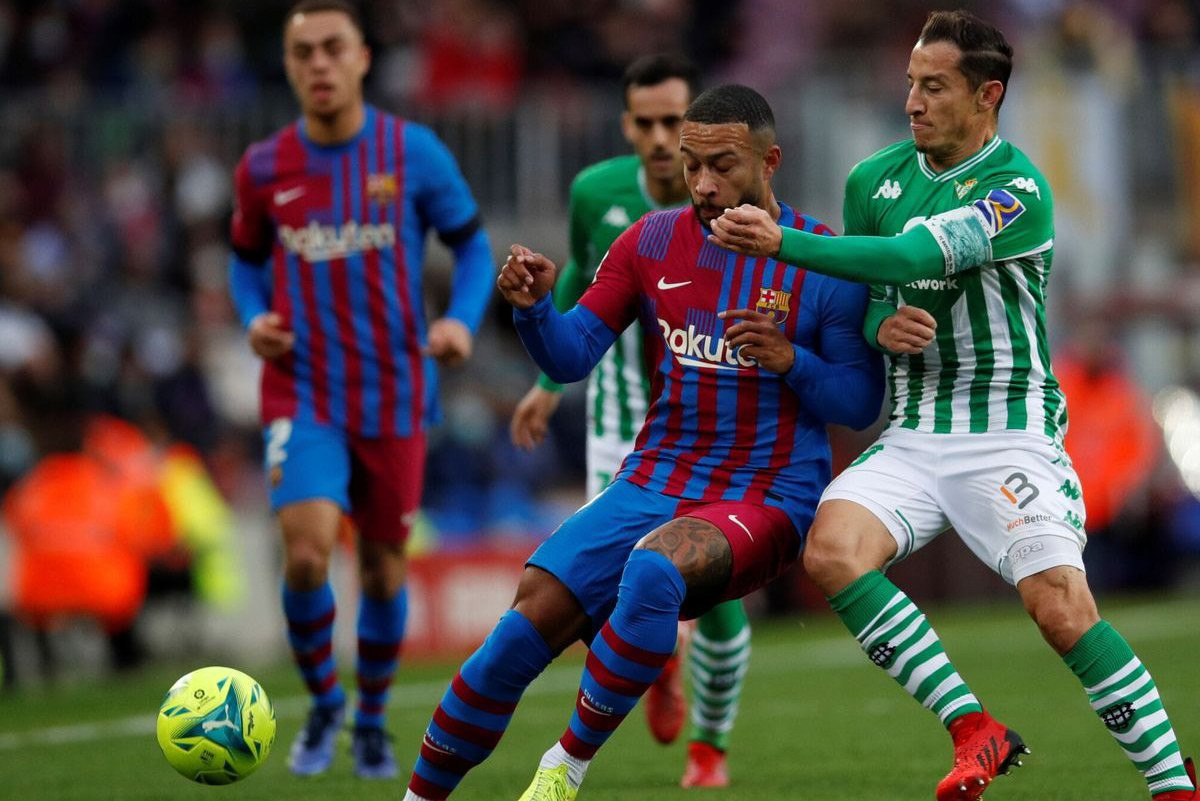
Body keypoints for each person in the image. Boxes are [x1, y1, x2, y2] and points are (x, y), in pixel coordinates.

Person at [708, 10, 1197, 801]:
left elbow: (915, 253)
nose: (913, 101)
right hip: (916, 428)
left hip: (1008, 429)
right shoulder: (875, 181)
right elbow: (875, 294)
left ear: (987, 96)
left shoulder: (1018, 191)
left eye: (934, 86)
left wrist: (782, 242)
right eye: (910, 83)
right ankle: (975, 729)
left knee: (1061, 610)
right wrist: (881, 325)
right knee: (832, 551)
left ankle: (1175, 785)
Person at [403, 83, 884, 801]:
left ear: (769, 160)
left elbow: (859, 400)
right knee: (518, 628)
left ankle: (564, 768)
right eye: (691, 166)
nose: (702, 183)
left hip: (768, 493)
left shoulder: (823, 260)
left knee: (656, 571)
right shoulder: (652, 241)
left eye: (721, 164)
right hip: (655, 478)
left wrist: (791, 359)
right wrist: (535, 310)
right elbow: (571, 356)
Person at [227, 0, 493, 780]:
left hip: (394, 392)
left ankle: (371, 715)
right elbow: (244, 258)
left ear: (363, 57)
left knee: (381, 569)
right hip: (301, 388)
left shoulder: (413, 154)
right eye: (302, 51)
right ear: (287, 64)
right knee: (307, 554)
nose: (318, 63)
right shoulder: (264, 167)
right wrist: (253, 318)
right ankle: (323, 702)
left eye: (331, 48)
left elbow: (472, 247)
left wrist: (462, 322)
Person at [508, 53, 752, 788]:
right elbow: (587, 284)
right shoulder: (596, 193)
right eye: (644, 123)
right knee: (604, 578)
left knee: (721, 603)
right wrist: (550, 380)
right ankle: (659, 659)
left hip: (705, 416)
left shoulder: (732, 199)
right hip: (623, 417)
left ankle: (710, 746)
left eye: (672, 121)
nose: (657, 136)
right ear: (626, 125)